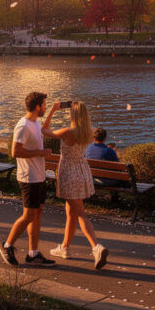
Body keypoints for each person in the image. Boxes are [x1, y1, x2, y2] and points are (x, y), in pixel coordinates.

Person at [42, 102, 109, 269]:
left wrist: (52, 110)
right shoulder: (87, 133)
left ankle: (96, 247)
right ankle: (65, 247)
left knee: (79, 213)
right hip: (82, 171)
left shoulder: (67, 132)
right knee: (71, 212)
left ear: (73, 115)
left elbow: (44, 130)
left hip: (69, 173)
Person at [0, 92, 56, 267]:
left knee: (37, 214)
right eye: (45, 105)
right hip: (28, 178)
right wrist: (41, 153)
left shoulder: (36, 123)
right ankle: (7, 245)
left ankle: (33, 253)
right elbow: (15, 152)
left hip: (38, 176)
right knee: (28, 215)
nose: (45, 108)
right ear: (38, 106)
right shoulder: (23, 125)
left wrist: (53, 110)